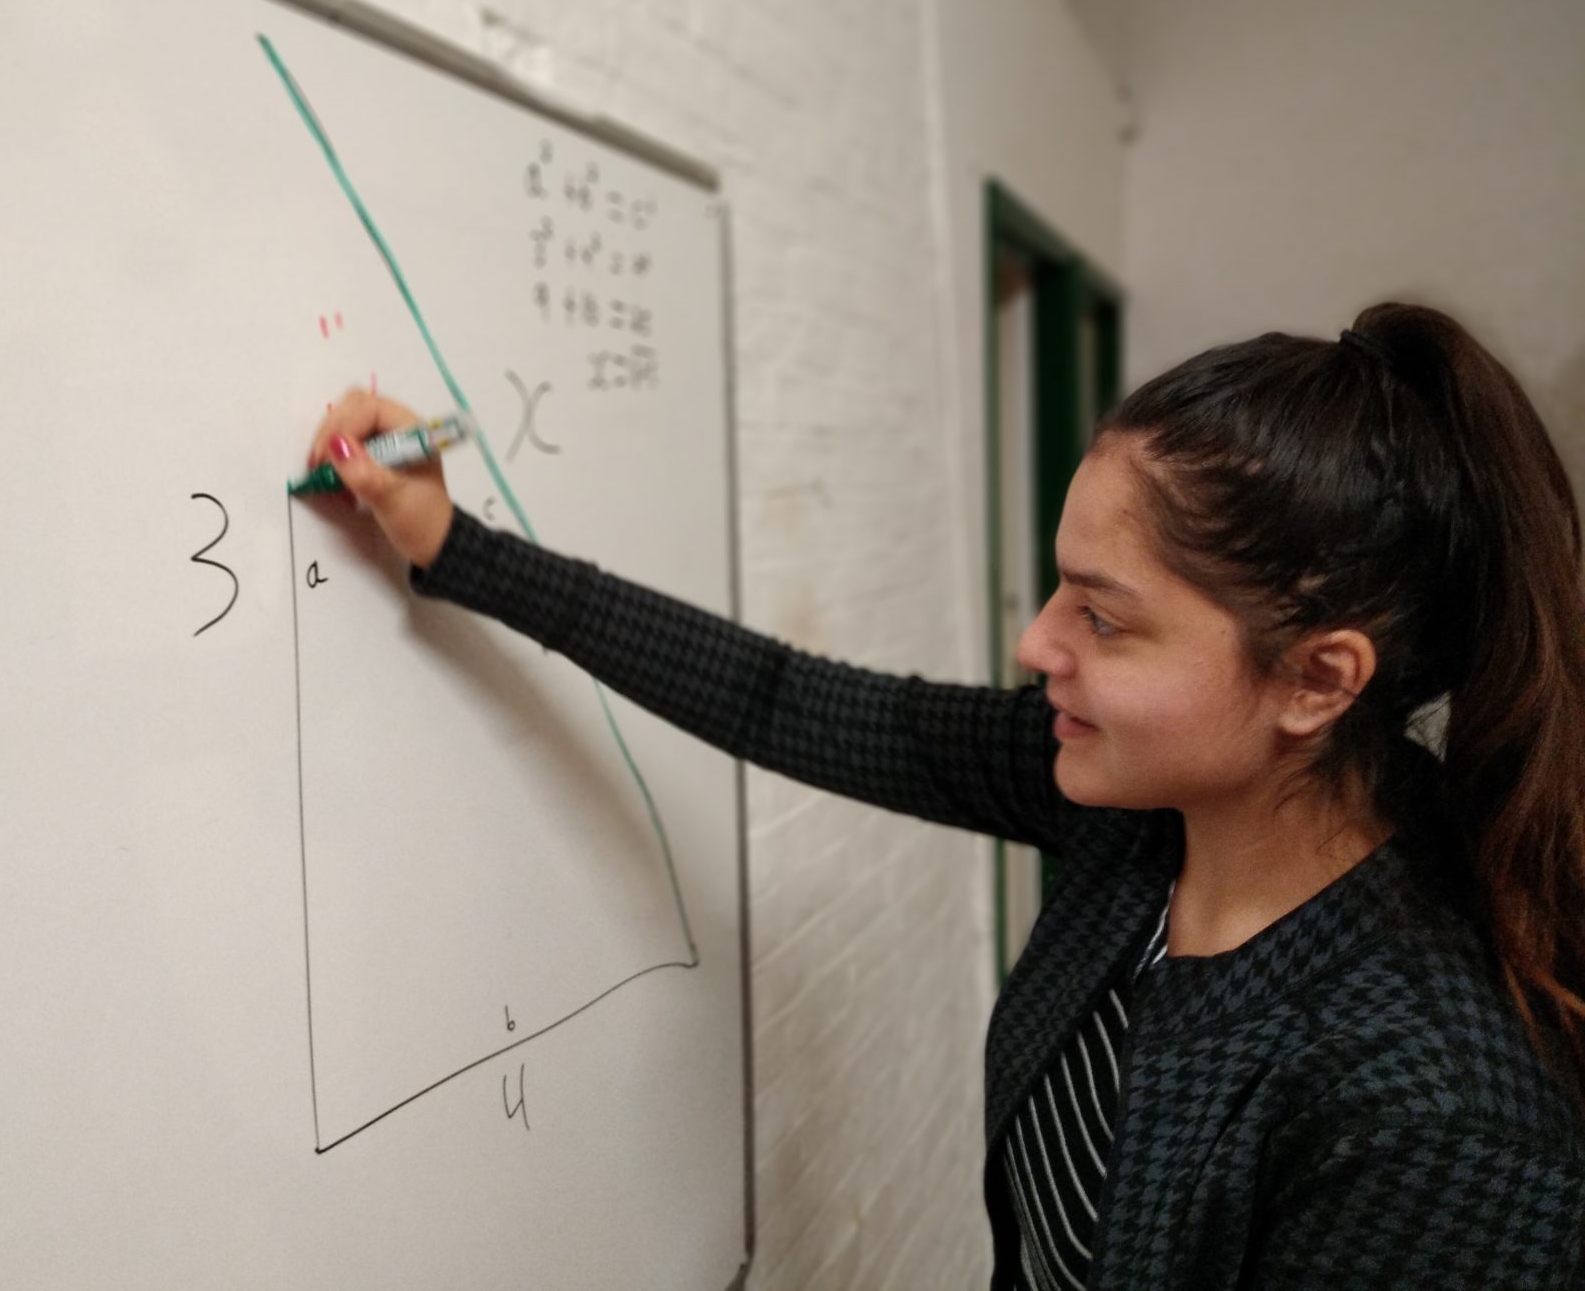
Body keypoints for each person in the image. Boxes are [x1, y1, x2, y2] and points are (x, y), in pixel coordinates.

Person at [305, 301, 1585, 1289]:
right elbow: (779, 701)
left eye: (1104, 616)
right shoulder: (1140, 808)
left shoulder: (1444, 1114)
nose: (1038, 645)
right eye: (1058, 586)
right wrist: (454, 544)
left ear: (1318, 681)